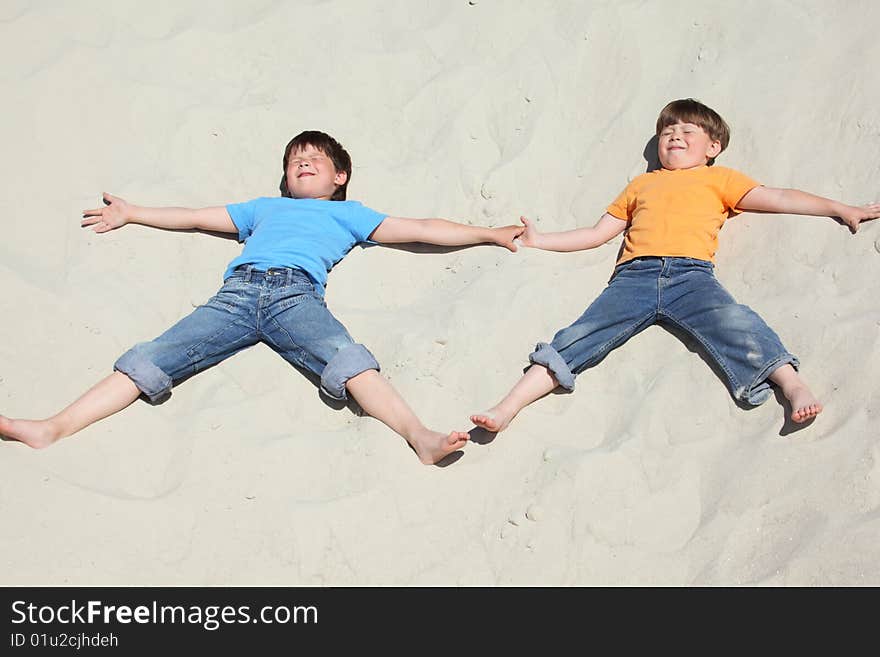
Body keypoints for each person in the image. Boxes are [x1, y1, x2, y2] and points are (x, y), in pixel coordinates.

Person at [1, 130, 522, 465]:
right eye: (295, 161)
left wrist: (488, 233)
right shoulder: (263, 208)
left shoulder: (349, 213)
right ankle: (52, 427)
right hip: (236, 294)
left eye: (314, 160)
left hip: (296, 297)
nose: (302, 165)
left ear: (339, 177)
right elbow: (197, 216)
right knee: (149, 359)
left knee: (349, 361)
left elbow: (423, 228)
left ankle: (420, 436)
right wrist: (135, 212)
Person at [471, 98, 879, 434]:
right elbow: (597, 233)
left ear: (712, 147)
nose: (675, 138)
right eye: (667, 133)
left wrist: (839, 208)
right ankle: (509, 406)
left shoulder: (720, 180)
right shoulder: (641, 185)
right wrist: (541, 240)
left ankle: (792, 386)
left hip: (692, 276)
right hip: (633, 278)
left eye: (687, 132)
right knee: (581, 333)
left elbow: (782, 197)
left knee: (737, 322)